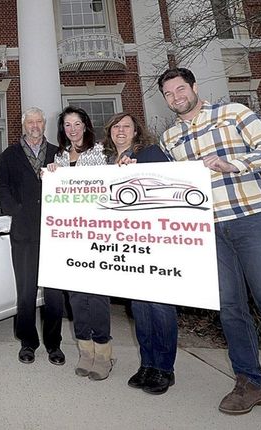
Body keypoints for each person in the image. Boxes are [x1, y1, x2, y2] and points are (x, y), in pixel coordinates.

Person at [157, 68, 261, 430]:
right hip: (210, 230)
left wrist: (233, 163)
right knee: (231, 309)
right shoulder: (170, 138)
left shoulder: (233, 113)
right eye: (168, 94)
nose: (176, 97)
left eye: (180, 89)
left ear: (194, 87)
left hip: (252, 219)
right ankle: (249, 382)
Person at [103, 112, 178, 395]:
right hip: (127, 245)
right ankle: (147, 364)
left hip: (155, 243)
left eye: (127, 127)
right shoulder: (107, 163)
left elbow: (169, 187)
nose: (121, 131)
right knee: (140, 309)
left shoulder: (150, 154)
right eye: (116, 127)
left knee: (160, 306)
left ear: (136, 132)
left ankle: (164, 368)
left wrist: (139, 173)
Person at [0, 106, 65, 366]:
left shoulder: (59, 153)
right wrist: (16, 209)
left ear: (44, 125)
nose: (35, 126)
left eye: (39, 122)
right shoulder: (9, 156)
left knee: (55, 294)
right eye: (30, 122)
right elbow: (1, 186)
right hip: (24, 233)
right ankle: (28, 342)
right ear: (23, 126)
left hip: (55, 233)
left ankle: (54, 344)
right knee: (25, 291)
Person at [48, 106, 114, 380]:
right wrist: (51, 173)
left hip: (96, 233)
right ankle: (85, 351)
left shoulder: (100, 152)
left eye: (77, 124)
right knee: (76, 297)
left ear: (85, 125)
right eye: (67, 125)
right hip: (70, 236)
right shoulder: (60, 157)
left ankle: (103, 353)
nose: (72, 129)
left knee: (97, 295)